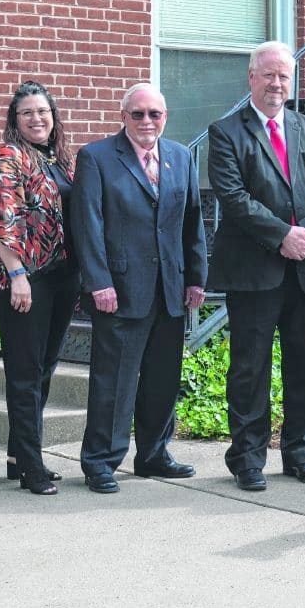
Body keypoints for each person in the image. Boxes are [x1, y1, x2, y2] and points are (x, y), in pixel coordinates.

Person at [206, 42, 305, 492]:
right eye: (268, 75)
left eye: (283, 76)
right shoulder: (226, 132)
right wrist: (281, 235)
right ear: (251, 78)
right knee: (250, 368)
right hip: (255, 270)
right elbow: (233, 196)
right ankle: (247, 459)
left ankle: (301, 454)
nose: (276, 84)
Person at [71, 83, 208, 494]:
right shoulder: (96, 158)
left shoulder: (180, 157)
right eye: (138, 114)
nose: (147, 122)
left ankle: (153, 455)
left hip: (169, 290)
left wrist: (197, 277)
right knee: (114, 381)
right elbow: (87, 225)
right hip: (119, 290)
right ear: (123, 116)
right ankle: (100, 461)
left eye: (155, 114)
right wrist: (99, 282)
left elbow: (192, 222)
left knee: (162, 379)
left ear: (165, 117)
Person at [0, 81, 80, 496]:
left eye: (43, 111)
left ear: (54, 117)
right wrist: (17, 275)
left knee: (45, 367)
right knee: (24, 372)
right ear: (15, 121)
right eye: (28, 113)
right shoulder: (8, 157)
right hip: (22, 278)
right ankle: (32, 469)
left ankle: (20, 457)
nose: (38, 119)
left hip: (60, 276)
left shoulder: (61, 161)